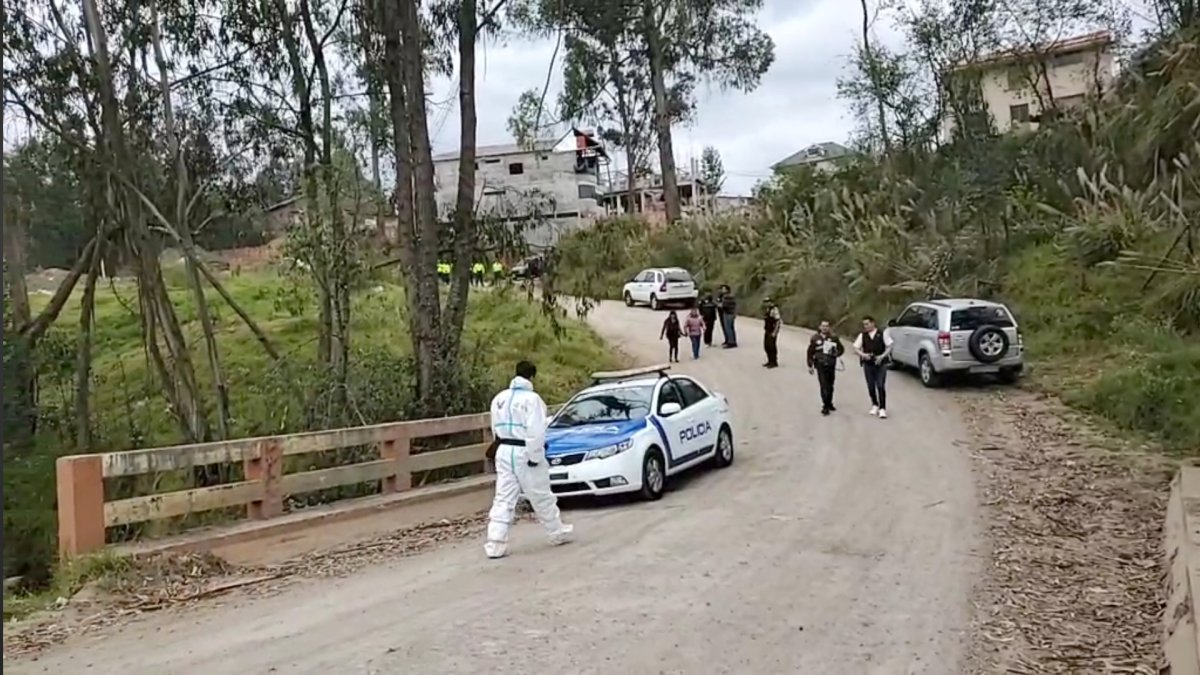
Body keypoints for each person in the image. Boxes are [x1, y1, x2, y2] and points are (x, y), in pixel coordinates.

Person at [484, 361, 574, 559]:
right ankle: (556, 531)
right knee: (541, 494)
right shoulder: (532, 400)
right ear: (532, 377)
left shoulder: (499, 398)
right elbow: (536, 431)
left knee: (503, 496)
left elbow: (494, 427)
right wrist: (536, 456)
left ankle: (495, 542)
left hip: (504, 449)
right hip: (524, 450)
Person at [853, 316, 894, 419]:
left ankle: (882, 408)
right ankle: (874, 404)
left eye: (867, 324)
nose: (865, 326)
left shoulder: (882, 333)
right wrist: (863, 355)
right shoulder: (863, 335)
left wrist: (882, 356)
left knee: (880, 385)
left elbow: (890, 346)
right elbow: (856, 347)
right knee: (871, 386)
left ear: (873, 323)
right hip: (868, 364)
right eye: (864, 325)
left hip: (880, 363)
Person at [806, 320, 845, 415]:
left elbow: (841, 349)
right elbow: (810, 352)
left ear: (829, 327)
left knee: (830, 385)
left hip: (831, 364)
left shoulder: (834, 338)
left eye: (827, 326)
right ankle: (825, 406)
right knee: (823, 385)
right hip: (820, 364)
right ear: (819, 327)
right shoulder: (815, 338)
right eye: (823, 326)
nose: (824, 328)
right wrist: (810, 365)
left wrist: (836, 353)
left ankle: (829, 402)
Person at [762, 298, 782, 368]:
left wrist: (775, 332)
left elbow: (778, 321)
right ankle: (769, 360)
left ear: (771, 302)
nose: (766, 303)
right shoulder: (768, 309)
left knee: (771, 347)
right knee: (766, 346)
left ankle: (774, 362)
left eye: (767, 302)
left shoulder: (774, 310)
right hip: (767, 330)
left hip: (772, 331)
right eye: (765, 302)